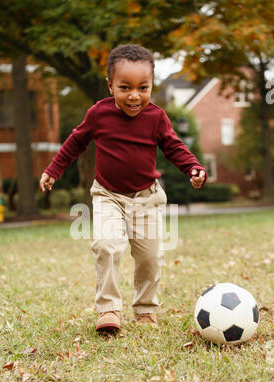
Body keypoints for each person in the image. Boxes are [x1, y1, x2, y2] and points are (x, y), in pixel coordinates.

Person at [39, 44, 207, 333]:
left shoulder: (156, 117)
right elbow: (75, 142)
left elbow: (174, 146)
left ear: (151, 85)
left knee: (150, 257)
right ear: (110, 85)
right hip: (108, 196)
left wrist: (193, 167)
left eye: (143, 88)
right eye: (125, 87)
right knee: (106, 244)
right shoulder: (99, 114)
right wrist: (54, 169)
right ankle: (108, 310)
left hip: (147, 197)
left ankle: (144, 309)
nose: (134, 96)